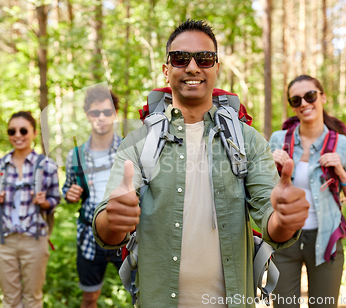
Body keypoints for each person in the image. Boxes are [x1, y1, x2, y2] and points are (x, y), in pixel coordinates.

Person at [92, 19, 310, 308]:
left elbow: (272, 224)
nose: (193, 67)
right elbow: (108, 229)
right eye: (180, 58)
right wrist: (114, 219)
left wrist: (285, 219)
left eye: (205, 59)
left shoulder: (248, 141)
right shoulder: (137, 143)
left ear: (217, 68)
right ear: (166, 70)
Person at [269, 75, 346, 308]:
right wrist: (270, 167)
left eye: (310, 96)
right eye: (296, 99)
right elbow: (264, 193)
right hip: (284, 239)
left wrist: (342, 173)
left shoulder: (344, 145)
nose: (304, 103)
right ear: (292, 106)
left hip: (326, 241)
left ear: (322, 97)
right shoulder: (278, 140)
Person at [0, 111, 61, 308]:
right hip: (5, 241)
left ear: (34, 133)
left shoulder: (47, 166)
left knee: (33, 298)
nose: (18, 135)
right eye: (12, 131)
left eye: (23, 130)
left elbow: (55, 200)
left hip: (35, 240)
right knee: (9, 300)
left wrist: (45, 202)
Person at [62, 87, 123, 308]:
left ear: (115, 114)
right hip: (88, 236)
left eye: (107, 112)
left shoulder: (129, 149)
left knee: (141, 294)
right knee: (89, 298)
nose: (101, 118)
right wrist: (69, 195)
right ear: (88, 115)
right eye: (95, 113)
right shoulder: (76, 155)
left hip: (125, 235)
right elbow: (68, 190)